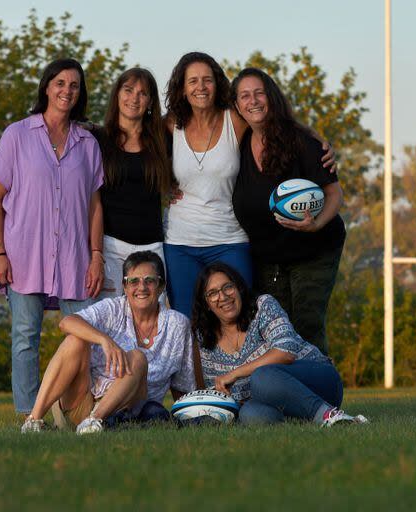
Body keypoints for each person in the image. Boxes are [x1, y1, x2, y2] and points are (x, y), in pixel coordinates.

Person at [162, 52, 335, 318]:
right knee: (187, 325)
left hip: (230, 239)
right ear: (182, 89)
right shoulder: (172, 124)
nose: (201, 87)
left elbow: (274, 123)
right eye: (193, 81)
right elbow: (138, 147)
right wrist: (164, 186)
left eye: (207, 80)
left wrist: (317, 139)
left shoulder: (234, 120)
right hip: (181, 243)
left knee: (240, 322)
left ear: (217, 84)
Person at [0, 58, 105, 417]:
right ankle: (29, 414)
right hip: (24, 255)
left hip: (74, 257)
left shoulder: (87, 143)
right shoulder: (17, 135)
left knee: (83, 337)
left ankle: (78, 412)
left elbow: (94, 205)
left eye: (74, 85)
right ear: (46, 87)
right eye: (60, 83)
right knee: (25, 338)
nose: (67, 90)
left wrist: (96, 254)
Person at [230, 68, 346, 356]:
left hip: (314, 250)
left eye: (259, 93)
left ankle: (322, 398)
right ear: (236, 106)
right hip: (268, 258)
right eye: (245, 95)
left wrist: (316, 224)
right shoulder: (239, 142)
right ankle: (286, 398)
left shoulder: (301, 143)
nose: (253, 101)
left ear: (272, 97)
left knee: (306, 325)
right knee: (276, 330)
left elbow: (334, 193)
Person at [21, 251, 198, 434]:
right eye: (133, 281)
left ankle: (93, 422)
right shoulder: (112, 308)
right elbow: (66, 322)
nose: (141, 287)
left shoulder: (178, 324)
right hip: (82, 400)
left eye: (149, 280)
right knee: (75, 339)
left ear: (161, 286)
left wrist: (190, 415)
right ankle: (33, 420)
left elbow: (182, 385)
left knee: (137, 358)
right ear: (125, 286)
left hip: (130, 408)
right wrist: (105, 340)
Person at [192, 262, 366, 426]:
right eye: (212, 293)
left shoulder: (262, 306)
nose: (222, 297)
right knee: (250, 415)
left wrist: (236, 373)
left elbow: (285, 352)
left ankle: (329, 414)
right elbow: (220, 394)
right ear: (206, 304)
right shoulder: (205, 339)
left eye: (227, 287)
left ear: (238, 288)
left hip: (319, 382)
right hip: (275, 401)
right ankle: (305, 420)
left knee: (262, 377)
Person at [93, 68, 172, 299]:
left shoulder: (161, 139)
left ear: (150, 102)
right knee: (111, 325)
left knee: (151, 325)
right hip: (111, 247)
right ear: (117, 94)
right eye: (128, 90)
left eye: (143, 93)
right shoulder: (97, 139)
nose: (134, 98)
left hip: (152, 248)